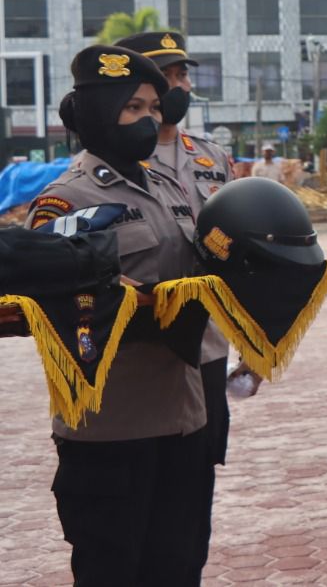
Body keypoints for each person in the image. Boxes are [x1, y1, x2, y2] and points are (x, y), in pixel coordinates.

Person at [28, 44, 209, 585]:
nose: (149, 119)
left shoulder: (169, 187)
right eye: (133, 108)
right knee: (112, 569)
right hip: (111, 428)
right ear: (100, 113)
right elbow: (53, 304)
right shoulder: (66, 200)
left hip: (184, 416)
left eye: (154, 108)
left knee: (179, 566)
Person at [116, 30, 251, 579]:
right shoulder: (120, 160)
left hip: (208, 351)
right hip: (145, 360)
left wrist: (256, 340)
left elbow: (243, 250)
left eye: (182, 76)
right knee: (137, 518)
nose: (183, 86)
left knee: (192, 506)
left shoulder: (212, 156)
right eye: (171, 76)